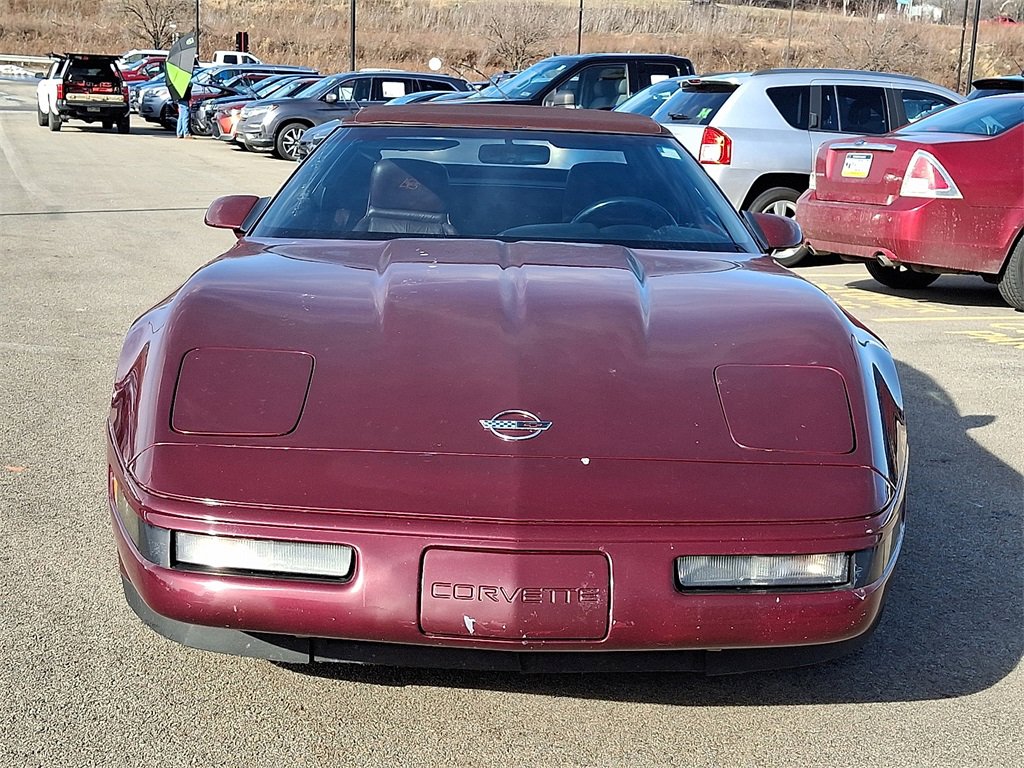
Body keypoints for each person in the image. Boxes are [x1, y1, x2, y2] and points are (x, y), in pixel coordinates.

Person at [175, 71, 194, 139]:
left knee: (181, 117)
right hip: (184, 99)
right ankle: (186, 133)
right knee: (185, 116)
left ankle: (179, 133)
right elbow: (189, 87)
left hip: (180, 99)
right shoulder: (186, 82)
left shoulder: (178, 81)